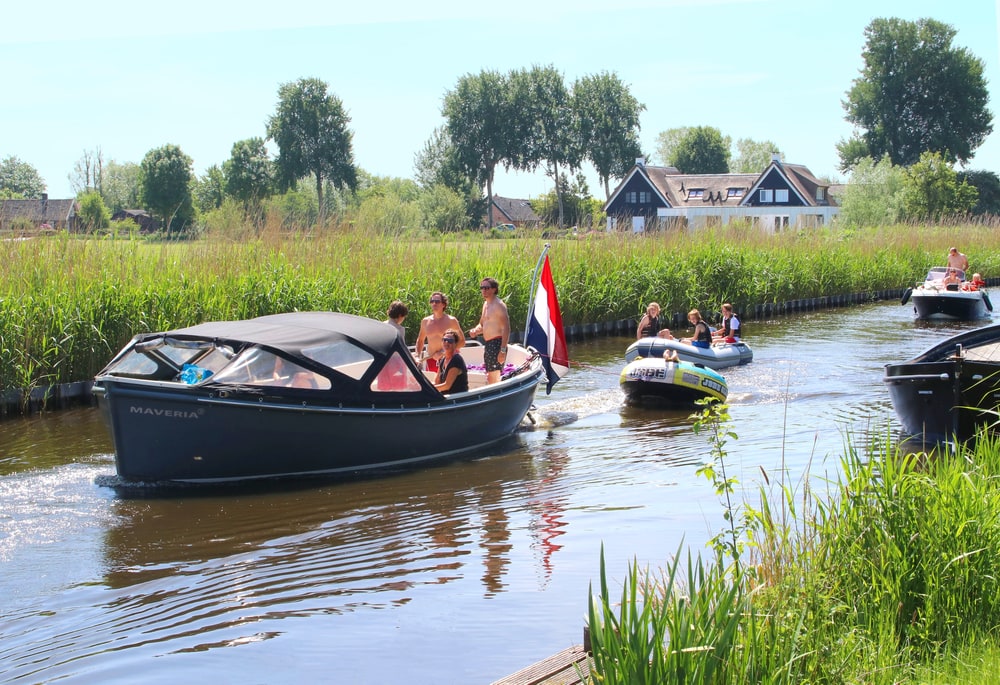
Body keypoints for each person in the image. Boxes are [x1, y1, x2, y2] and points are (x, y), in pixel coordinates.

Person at [467, 277, 510, 384]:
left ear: (494, 289)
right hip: (488, 344)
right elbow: (482, 324)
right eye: (482, 288)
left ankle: (495, 397)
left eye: (486, 288)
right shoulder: (486, 304)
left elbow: (507, 328)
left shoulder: (499, 305)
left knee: (493, 375)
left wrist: (503, 350)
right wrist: (475, 331)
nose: (484, 290)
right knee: (490, 375)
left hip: (497, 343)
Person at [415, 291, 465, 373]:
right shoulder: (425, 321)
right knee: (433, 384)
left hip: (448, 358)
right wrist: (417, 356)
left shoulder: (451, 320)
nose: (434, 303)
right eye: (432, 301)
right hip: (431, 359)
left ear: (443, 304)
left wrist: (443, 352)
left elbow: (462, 342)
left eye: (437, 301)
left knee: (447, 384)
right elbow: (420, 340)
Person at [434, 329, 468, 394]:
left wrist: (429, 390)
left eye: (450, 341)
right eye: (444, 340)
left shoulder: (456, 360)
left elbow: (447, 386)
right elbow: (437, 381)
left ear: (455, 344)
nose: (446, 342)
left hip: (457, 398)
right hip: (446, 397)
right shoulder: (442, 360)